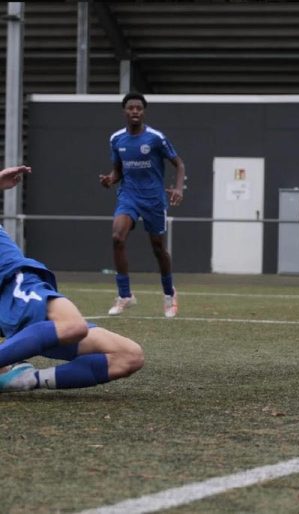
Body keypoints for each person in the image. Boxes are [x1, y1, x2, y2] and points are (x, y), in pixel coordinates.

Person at [0, 165, 144, 392]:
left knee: (129, 356)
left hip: (20, 307)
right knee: (73, 326)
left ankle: (25, 380)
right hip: (16, 286)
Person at [99, 92, 185, 318]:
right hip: (128, 196)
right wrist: (110, 179)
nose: (135, 111)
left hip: (154, 200)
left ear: (143, 111)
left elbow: (179, 163)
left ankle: (169, 294)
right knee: (117, 237)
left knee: (158, 248)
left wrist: (178, 188)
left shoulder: (156, 138)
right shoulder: (116, 139)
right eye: (131, 108)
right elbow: (118, 169)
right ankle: (125, 295)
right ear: (125, 111)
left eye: (139, 108)